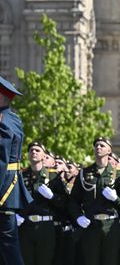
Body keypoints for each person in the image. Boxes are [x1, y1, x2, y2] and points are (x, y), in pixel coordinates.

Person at [68, 137, 120, 265]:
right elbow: (73, 201)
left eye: (102, 145)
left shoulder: (118, 175)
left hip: (111, 225)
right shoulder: (84, 173)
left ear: (109, 150)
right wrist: (78, 217)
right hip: (91, 224)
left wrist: (115, 199)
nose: (98, 148)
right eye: (96, 146)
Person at [0, 75, 31, 265]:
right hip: (9, 190)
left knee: (9, 247)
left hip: (3, 190)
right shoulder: (13, 118)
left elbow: (1, 160)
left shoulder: (3, 121)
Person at [18, 141, 61, 265]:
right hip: (26, 225)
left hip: (45, 225)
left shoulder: (53, 176)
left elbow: (64, 202)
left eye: (37, 150)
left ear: (44, 156)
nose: (34, 152)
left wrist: (52, 196)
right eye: (31, 150)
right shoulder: (21, 175)